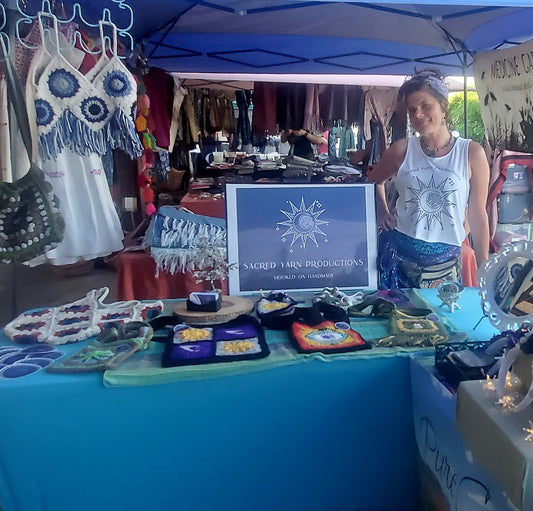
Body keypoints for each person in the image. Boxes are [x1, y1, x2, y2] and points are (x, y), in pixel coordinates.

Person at [367, 69, 490, 289]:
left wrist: (484, 267)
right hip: (397, 258)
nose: (418, 115)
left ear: (444, 106)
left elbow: (478, 214)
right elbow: (373, 181)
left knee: (441, 321)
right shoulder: (401, 150)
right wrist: (382, 211)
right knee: (393, 321)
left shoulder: (471, 153)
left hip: (444, 265)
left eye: (426, 106)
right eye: (412, 110)